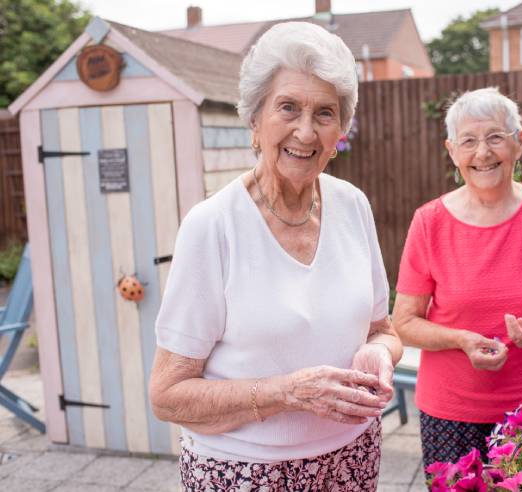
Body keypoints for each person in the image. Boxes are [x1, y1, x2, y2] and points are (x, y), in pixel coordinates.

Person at [149, 22, 402, 491]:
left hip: (352, 455)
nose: (305, 131)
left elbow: (383, 329)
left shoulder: (352, 205)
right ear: (255, 118)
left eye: (325, 113)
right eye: (288, 107)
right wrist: (288, 393)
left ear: (340, 130)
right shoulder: (213, 226)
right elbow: (167, 396)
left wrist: (378, 354)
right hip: (246, 471)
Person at [392, 87, 522, 469]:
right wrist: (460, 339)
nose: (482, 153)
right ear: (452, 151)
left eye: (495, 138)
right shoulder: (429, 221)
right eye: (468, 141)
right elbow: (403, 323)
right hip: (451, 413)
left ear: (519, 143)